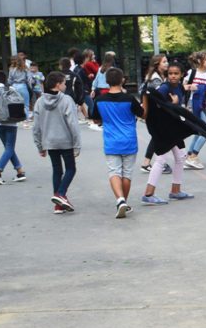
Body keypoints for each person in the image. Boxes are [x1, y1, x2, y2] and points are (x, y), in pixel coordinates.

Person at [139, 64, 196, 206]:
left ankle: (175, 191)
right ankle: (148, 193)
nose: (173, 76)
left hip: (173, 127)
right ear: (167, 75)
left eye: (176, 73)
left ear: (181, 74)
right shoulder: (164, 88)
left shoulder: (180, 88)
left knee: (180, 157)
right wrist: (173, 104)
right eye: (170, 73)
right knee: (161, 159)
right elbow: (155, 103)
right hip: (165, 129)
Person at [32, 72, 83, 213]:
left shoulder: (39, 102)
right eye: (64, 83)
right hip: (65, 141)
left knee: (57, 170)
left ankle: (58, 205)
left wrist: (39, 145)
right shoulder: (66, 100)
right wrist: (77, 144)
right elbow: (73, 123)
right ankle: (60, 194)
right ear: (57, 85)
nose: (66, 85)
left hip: (49, 142)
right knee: (71, 169)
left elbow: (36, 127)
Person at [93, 68, 138, 218]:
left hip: (111, 140)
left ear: (106, 81)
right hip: (129, 139)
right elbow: (142, 112)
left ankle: (120, 200)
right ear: (122, 80)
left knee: (114, 171)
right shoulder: (129, 99)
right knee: (127, 173)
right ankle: (123, 201)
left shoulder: (99, 100)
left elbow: (95, 119)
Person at [182, 51, 206, 170]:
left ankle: (189, 156)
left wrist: (199, 88)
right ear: (199, 61)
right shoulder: (191, 73)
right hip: (193, 103)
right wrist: (189, 87)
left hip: (204, 103)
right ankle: (193, 156)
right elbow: (183, 86)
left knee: (200, 131)